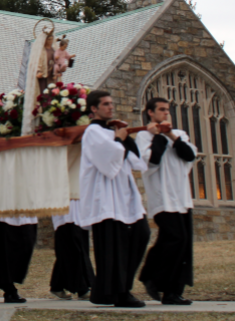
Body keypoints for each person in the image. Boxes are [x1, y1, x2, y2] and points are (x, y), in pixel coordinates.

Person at [77, 90, 150, 308]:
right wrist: (119, 139)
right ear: (94, 108)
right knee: (113, 248)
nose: (111, 107)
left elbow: (136, 162)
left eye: (111, 103)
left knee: (141, 234)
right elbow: (108, 162)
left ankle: (111, 290)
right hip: (106, 199)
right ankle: (118, 293)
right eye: (106, 104)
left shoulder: (112, 131)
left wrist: (124, 139)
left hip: (124, 196)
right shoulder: (92, 132)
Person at [137, 97, 197, 306]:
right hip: (162, 197)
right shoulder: (144, 137)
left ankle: (172, 291)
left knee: (182, 244)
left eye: (168, 110)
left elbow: (188, 155)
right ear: (150, 113)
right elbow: (152, 160)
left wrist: (169, 134)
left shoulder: (179, 135)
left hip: (182, 197)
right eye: (161, 110)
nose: (166, 113)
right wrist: (157, 137)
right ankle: (152, 277)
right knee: (174, 239)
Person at [49, 198, 95, 300]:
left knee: (74, 248)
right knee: (73, 247)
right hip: (66, 208)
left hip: (79, 208)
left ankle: (58, 285)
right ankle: (82, 289)